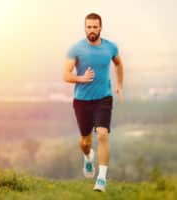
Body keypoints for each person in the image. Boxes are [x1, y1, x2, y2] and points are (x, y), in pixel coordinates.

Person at [63, 13, 124, 192]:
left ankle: (102, 179)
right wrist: (82, 78)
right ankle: (88, 156)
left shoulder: (110, 47)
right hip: (82, 101)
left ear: (100, 27)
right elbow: (65, 75)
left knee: (103, 135)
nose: (91, 30)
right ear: (85, 28)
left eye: (94, 27)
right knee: (85, 142)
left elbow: (119, 64)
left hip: (103, 98)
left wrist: (119, 84)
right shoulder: (76, 49)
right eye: (88, 27)